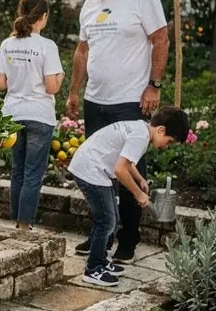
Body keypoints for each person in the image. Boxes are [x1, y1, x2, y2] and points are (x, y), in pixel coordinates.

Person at [66, 0, 169, 264]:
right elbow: (82, 51)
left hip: (129, 101)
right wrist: (73, 92)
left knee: (129, 170)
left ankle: (128, 240)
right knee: (97, 170)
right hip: (95, 101)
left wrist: (154, 85)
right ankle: (103, 232)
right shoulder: (89, 6)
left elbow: (161, 40)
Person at [68, 105, 189, 288]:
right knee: (106, 221)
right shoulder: (140, 136)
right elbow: (120, 169)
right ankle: (93, 270)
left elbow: (127, 162)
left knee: (112, 219)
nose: (166, 146)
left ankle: (101, 261)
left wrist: (140, 179)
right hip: (90, 170)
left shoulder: (140, 128)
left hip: (93, 167)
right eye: (169, 141)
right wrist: (138, 194)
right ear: (161, 129)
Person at [0, 0, 64, 230]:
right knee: (33, 173)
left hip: (12, 115)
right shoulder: (47, 46)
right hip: (40, 115)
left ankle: (17, 222)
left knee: (18, 171)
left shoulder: (7, 44)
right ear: (42, 17)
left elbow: (0, 83)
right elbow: (51, 87)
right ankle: (24, 225)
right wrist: (61, 77)